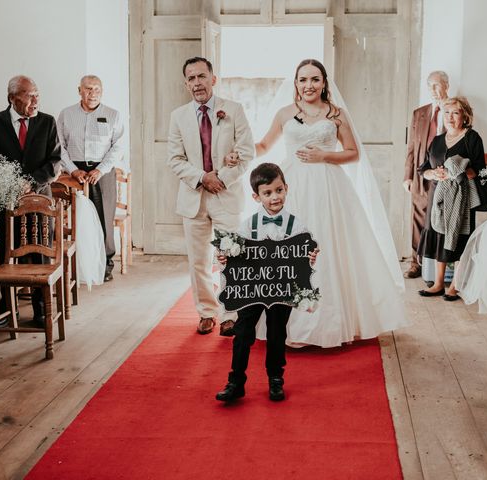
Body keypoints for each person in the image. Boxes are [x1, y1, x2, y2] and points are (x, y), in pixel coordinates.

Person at [255, 59, 408, 347]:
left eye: (315, 79)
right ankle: (284, 322)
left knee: (328, 247)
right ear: (296, 82)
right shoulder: (285, 113)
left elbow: (353, 153)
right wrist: (236, 149)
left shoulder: (337, 115)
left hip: (329, 187)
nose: (308, 85)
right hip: (291, 186)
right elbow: (263, 146)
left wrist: (324, 156)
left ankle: (327, 323)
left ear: (324, 82)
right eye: (303, 80)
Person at [215, 163, 318, 402]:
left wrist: (310, 256)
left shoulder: (296, 224)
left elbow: (303, 255)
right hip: (253, 288)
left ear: (286, 189)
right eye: (268, 193)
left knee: (276, 334)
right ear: (256, 196)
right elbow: (235, 251)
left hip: (282, 289)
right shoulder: (248, 224)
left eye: (279, 190)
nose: (275, 197)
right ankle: (236, 381)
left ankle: (275, 379)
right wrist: (225, 255)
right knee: (243, 332)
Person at [167, 57, 254, 336]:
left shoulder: (234, 110)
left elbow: (246, 152)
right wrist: (203, 178)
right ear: (186, 84)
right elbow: (175, 159)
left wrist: (222, 179)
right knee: (199, 260)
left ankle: (229, 313)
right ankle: (206, 312)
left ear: (213, 79)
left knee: (230, 255)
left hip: (226, 196)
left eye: (201, 76)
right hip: (194, 197)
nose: (197, 83)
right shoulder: (178, 116)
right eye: (191, 78)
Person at [0, 75, 61, 326]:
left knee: (39, 253)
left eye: (37, 93)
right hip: (6, 199)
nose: (35, 99)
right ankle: (8, 310)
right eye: (29, 95)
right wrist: (11, 184)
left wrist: (31, 182)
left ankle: (40, 309)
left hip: (38, 199)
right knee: (6, 252)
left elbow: (55, 162)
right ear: (12, 98)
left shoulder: (47, 122)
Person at [417, 97, 487, 301]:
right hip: (437, 195)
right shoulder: (437, 140)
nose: (450, 117)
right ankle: (438, 283)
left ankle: (454, 286)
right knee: (439, 234)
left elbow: (480, 171)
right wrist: (433, 174)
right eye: (447, 113)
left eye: (455, 113)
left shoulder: (472, 138)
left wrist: (458, 172)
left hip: (461, 198)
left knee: (459, 237)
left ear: (464, 116)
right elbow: (423, 168)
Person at [57, 75, 125, 282]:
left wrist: (101, 170)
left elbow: (118, 147)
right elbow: (59, 145)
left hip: (102, 173)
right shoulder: (66, 114)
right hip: (74, 173)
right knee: (74, 221)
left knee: (104, 218)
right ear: (79, 90)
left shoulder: (113, 115)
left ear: (102, 91)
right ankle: (77, 264)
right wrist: (71, 170)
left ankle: (105, 264)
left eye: (96, 89)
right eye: (88, 89)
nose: (92, 93)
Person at [403, 71, 450, 278]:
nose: (433, 90)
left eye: (437, 85)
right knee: (418, 219)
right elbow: (411, 147)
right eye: (429, 85)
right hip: (421, 174)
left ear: (446, 85)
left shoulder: (455, 109)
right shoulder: (420, 113)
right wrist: (408, 176)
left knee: (440, 220)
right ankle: (416, 262)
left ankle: (440, 268)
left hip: (445, 174)